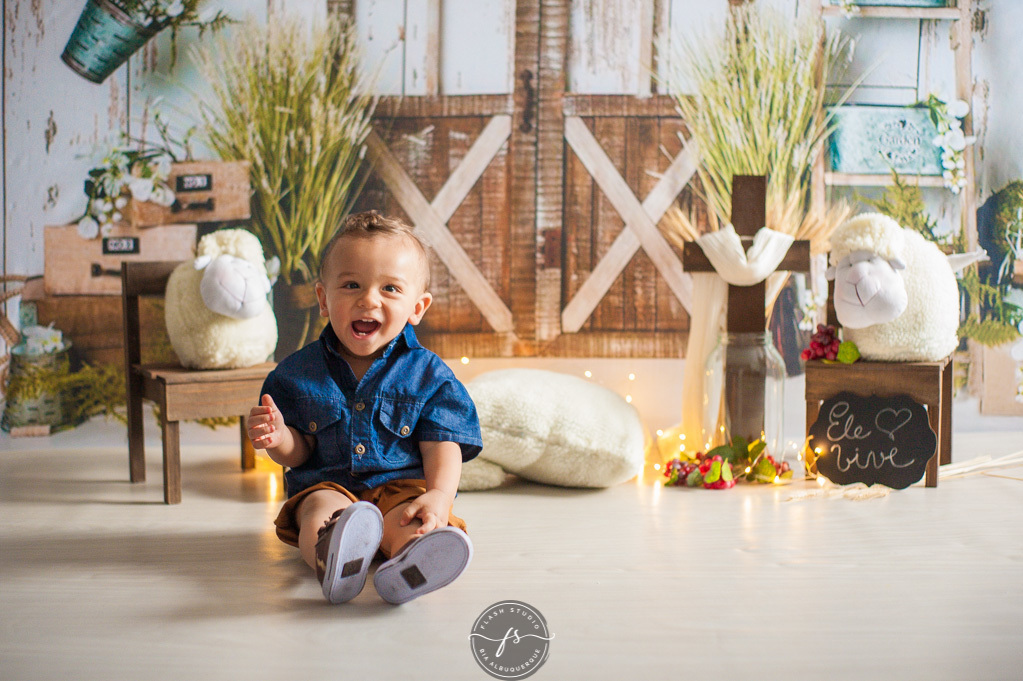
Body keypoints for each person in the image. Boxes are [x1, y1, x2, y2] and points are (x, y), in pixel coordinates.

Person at [246, 211, 482, 605]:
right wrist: (280, 437)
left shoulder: (428, 374)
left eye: (390, 288)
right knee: (318, 513)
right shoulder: (296, 373)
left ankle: (410, 564)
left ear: (417, 307)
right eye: (352, 284)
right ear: (324, 298)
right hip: (329, 486)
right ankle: (335, 558)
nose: (368, 299)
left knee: (413, 521)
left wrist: (440, 495)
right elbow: (299, 451)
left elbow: (441, 441)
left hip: (400, 490)